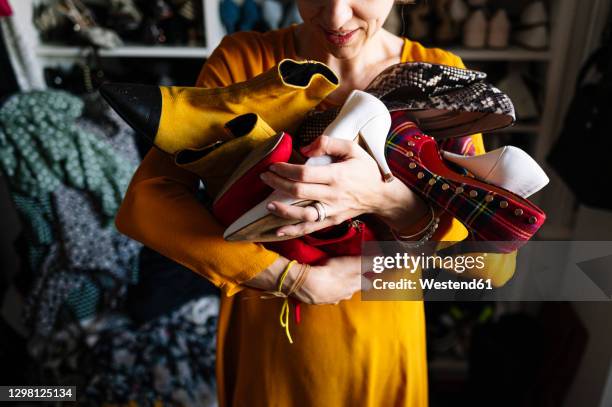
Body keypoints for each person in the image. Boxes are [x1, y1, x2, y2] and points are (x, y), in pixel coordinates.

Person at [116, 0, 516, 405]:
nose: (336, 17)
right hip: (272, 339)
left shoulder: (440, 77)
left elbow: (488, 262)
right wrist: (288, 278)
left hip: (378, 338)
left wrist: (382, 198)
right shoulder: (244, 62)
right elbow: (147, 201)